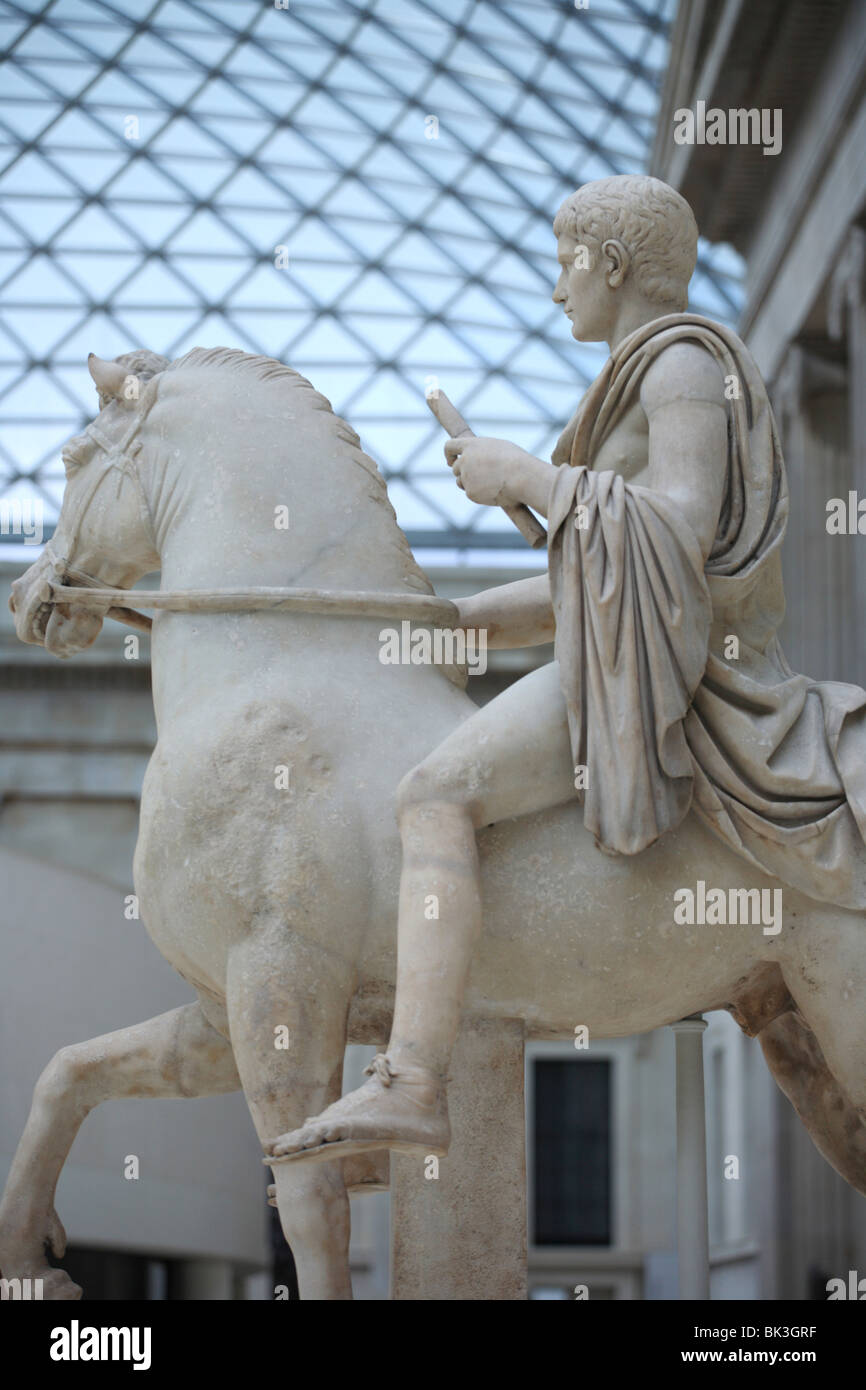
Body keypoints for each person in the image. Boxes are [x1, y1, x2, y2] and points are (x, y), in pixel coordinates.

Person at [265, 174, 866, 1167]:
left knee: (433, 791)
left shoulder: (676, 367)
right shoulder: (651, 370)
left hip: (694, 684)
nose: (556, 290)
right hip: (646, 652)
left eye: (564, 265)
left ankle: (412, 1080)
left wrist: (527, 478)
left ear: (613, 266)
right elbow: (602, 573)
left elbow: (667, 531)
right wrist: (452, 622)